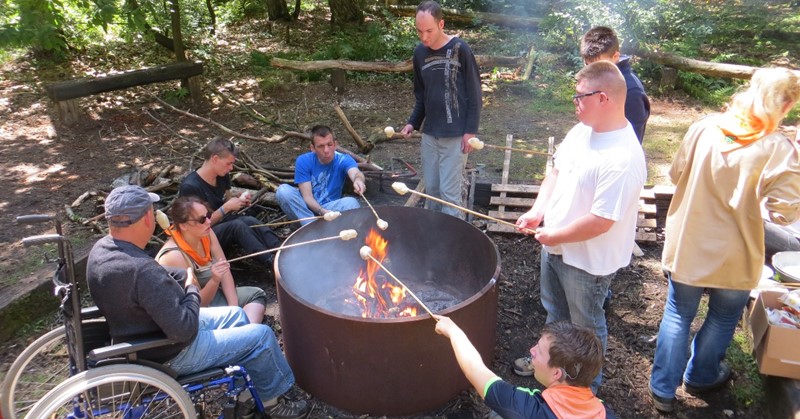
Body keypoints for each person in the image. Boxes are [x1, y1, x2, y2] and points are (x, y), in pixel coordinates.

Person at [649, 68, 800, 413]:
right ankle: (701, 376)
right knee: (722, 317)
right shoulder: (778, 149)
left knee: (677, 313)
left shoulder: (705, 127)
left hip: (689, 241)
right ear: (786, 103)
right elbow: (783, 214)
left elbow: (675, 174)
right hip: (737, 251)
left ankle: (662, 390)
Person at [87, 185, 308, 418]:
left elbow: (150, 288)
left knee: (237, 315)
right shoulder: (141, 270)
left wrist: (180, 281)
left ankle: (246, 394)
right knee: (261, 336)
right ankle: (273, 402)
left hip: (142, 335)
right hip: (169, 353)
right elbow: (183, 330)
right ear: (148, 218)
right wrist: (192, 288)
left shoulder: (101, 251)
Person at [513, 61, 647, 393]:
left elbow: (601, 221)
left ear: (604, 98)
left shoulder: (622, 156)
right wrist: (538, 211)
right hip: (555, 248)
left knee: (585, 327)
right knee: (554, 314)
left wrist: (554, 235)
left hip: (587, 263)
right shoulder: (581, 131)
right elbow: (555, 172)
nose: (574, 104)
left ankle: (585, 391)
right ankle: (550, 367)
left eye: (579, 97)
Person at [434, 317, 616, 418]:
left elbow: (475, 370)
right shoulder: (603, 411)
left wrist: (453, 331)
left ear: (556, 373)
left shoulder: (529, 410)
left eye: (539, 351)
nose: (531, 351)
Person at [399, 0, 482, 218]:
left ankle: (454, 246)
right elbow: (421, 96)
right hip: (430, 135)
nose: (424, 37)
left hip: (455, 136)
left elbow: (475, 94)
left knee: (449, 195)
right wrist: (412, 123)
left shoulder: (460, 49)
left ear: (441, 24)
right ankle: (434, 243)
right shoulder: (419, 54)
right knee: (432, 193)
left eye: (429, 30)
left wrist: (470, 131)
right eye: (419, 31)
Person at [156, 195, 267, 324]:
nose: (209, 221)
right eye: (202, 219)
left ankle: (244, 332)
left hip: (216, 298)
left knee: (257, 294)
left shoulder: (206, 232)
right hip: (198, 312)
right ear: (183, 225)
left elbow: (224, 270)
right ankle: (244, 334)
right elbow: (197, 304)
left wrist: (234, 308)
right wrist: (214, 281)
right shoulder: (174, 256)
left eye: (208, 215)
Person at [179, 137, 282, 269]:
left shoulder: (222, 175)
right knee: (237, 226)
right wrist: (226, 208)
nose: (231, 168)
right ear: (215, 159)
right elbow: (196, 226)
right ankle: (271, 263)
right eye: (228, 163)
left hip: (222, 223)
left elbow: (226, 199)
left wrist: (239, 201)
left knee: (250, 220)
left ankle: (281, 249)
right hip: (202, 235)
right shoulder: (190, 186)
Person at [275, 125, 365, 225]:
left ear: (335, 144)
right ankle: (311, 227)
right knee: (283, 191)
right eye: (321, 146)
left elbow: (356, 173)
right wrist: (321, 211)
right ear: (312, 148)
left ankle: (318, 228)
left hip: (330, 208)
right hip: (305, 210)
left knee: (351, 203)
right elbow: (307, 197)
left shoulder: (343, 159)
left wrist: (358, 180)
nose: (326, 150)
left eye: (329, 145)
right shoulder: (304, 161)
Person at [581, 26, 650, 144]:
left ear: (616, 56)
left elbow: (632, 141)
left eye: (599, 65)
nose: (593, 71)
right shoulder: (600, 78)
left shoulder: (632, 92)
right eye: (588, 65)